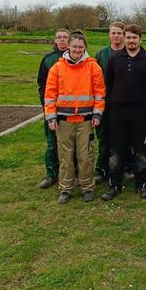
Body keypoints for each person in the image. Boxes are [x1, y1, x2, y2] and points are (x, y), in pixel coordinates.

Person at [44, 31, 105, 204]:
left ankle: (87, 187)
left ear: (85, 47)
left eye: (80, 46)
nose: (77, 49)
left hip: (86, 121)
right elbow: (50, 95)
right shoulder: (57, 68)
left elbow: (100, 93)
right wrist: (51, 117)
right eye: (74, 46)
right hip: (63, 121)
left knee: (85, 156)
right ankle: (65, 189)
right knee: (65, 156)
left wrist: (97, 114)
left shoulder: (94, 67)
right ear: (68, 46)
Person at [101, 24, 146, 201]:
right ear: (124, 38)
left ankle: (141, 184)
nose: (131, 41)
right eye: (129, 37)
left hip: (140, 112)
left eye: (135, 37)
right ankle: (114, 185)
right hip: (117, 112)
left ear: (140, 39)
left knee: (139, 150)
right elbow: (108, 84)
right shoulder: (115, 59)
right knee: (116, 151)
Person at [36, 28, 70, 188]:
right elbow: (41, 84)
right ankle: (51, 174)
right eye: (59, 37)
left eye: (65, 37)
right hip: (52, 108)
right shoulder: (48, 60)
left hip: (70, 109)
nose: (62, 40)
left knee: (71, 144)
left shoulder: (76, 57)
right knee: (52, 143)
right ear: (55, 40)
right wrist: (46, 104)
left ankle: (72, 173)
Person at [94, 22, 125, 184]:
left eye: (119, 33)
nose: (116, 36)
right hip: (104, 103)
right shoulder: (101, 55)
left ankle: (124, 167)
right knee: (104, 137)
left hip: (123, 103)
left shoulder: (129, 53)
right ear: (109, 34)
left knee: (123, 137)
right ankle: (102, 168)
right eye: (113, 33)